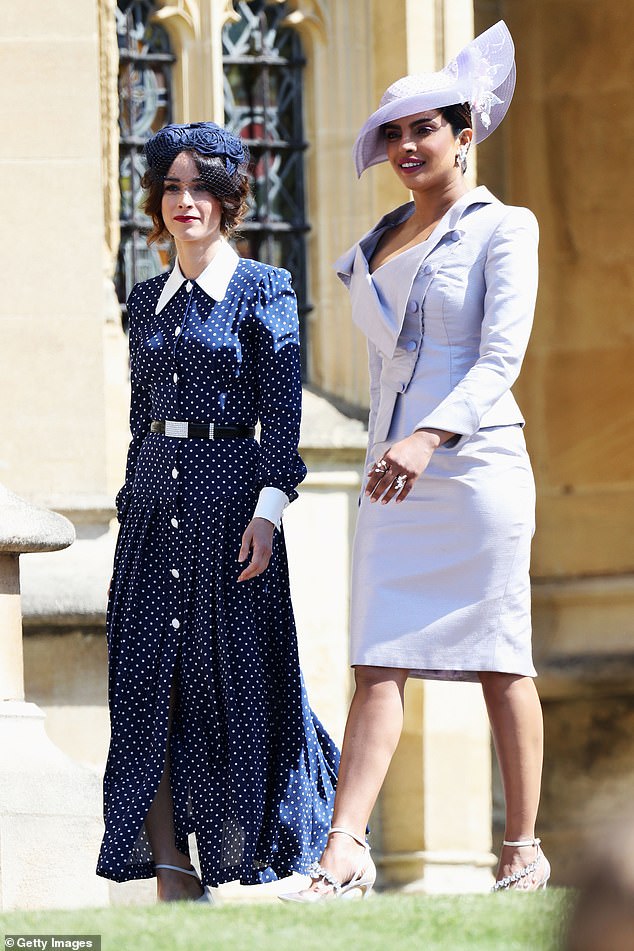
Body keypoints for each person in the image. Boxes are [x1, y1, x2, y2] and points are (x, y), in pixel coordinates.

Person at [281, 21, 548, 902]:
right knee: (376, 658)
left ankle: (520, 850)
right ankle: (343, 851)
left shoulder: (505, 228)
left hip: (474, 471)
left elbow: (498, 360)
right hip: (392, 478)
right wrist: (390, 450)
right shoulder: (381, 239)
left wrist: (429, 435)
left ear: (464, 132)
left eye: (422, 128)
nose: (404, 145)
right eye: (392, 132)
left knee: (501, 657)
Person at [96, 121, 338, 902]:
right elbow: (143, 417)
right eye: (171, 185)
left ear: (231, 199)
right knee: (145, 685)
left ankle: (300, 842)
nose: (185, 201)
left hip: (232, 512)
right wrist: (136, 498)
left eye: (202, 187)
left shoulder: (264, 289)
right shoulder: (144, 301)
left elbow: (282, 416)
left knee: (237, 683)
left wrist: (268, 509)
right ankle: (172, 868)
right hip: (152, 510)